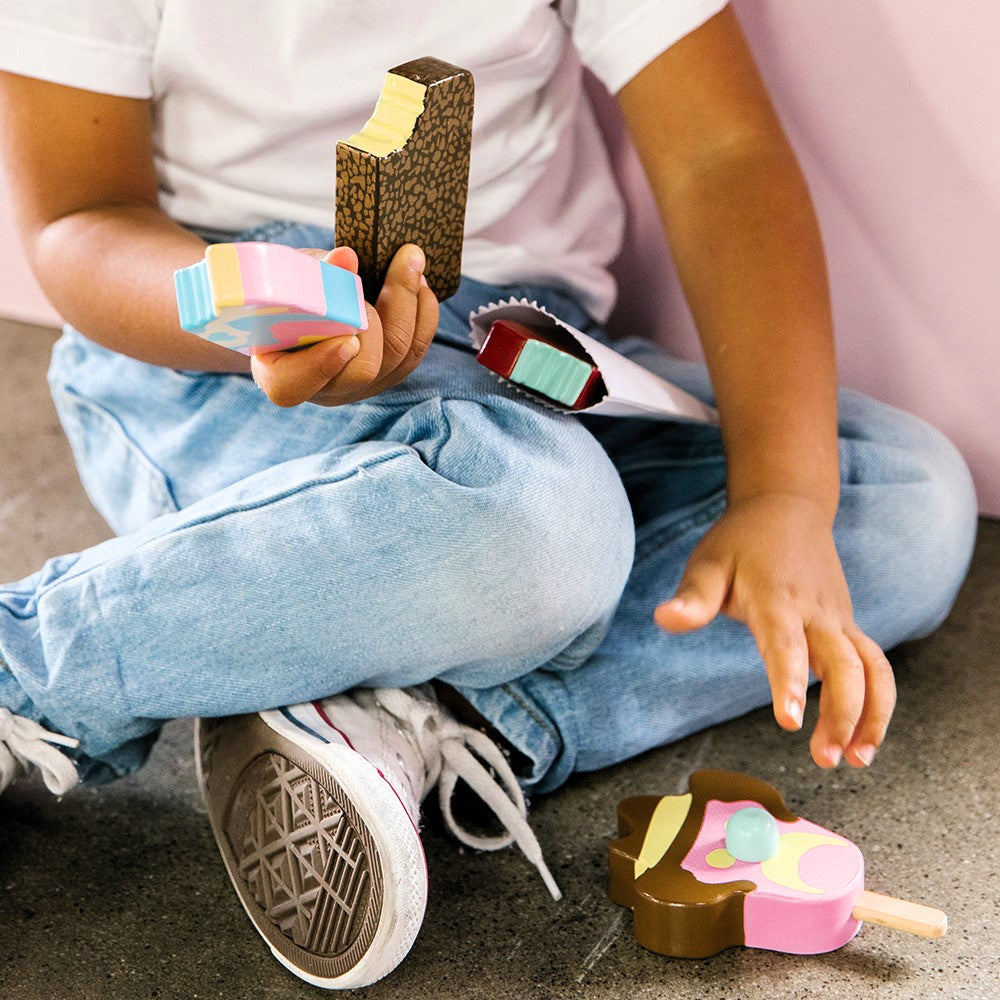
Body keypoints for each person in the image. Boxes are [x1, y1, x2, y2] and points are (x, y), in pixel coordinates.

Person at [0, 0, 977, 990]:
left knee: (900, 497)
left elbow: (719, 153)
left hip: (524, 351)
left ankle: (420, 712)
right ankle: (27, 660)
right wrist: (249, 313)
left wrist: (784, 498)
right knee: (545, 527)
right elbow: (79, 219)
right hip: (203, 352)